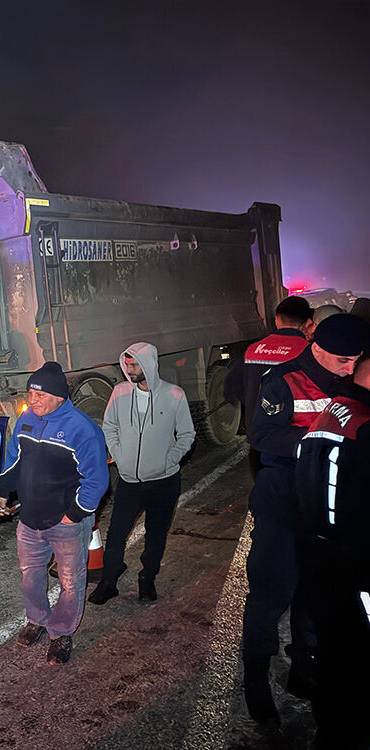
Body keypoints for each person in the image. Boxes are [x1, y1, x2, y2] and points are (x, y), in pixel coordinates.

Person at [241, 313, 368, 727]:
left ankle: (303, 669)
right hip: (281, 501)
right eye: (341, 361)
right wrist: (317, 441)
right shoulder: (284, 380)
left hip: (322, 507)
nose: (349, 369)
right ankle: (256, 679)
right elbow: (260, 435)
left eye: (355, 361)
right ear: (317, 349)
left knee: (314, 595)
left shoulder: (351, 383)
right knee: (269, 594)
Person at [0, 361, 109, 665]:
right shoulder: (27, 420)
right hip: (30, 520)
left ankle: (61, 632)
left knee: (71, 583)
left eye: (39, 395)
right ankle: (37, 619)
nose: (32, 401)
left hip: (65, 523)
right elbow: (12, 457)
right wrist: (2, 491)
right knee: (30, 577)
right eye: (30, 393)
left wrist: (73, 514)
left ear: (59, 397)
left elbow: (96, 480)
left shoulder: (82, 428)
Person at [295, 354, 370, 749]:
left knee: (333, 650)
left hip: (319, 553)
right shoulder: (365, 424)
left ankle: (330, 726)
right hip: (356, 562)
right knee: (356, 659)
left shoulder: (333, 411)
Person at [87, 342, 196, 605]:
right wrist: (120, 455)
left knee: (156, 533)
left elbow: (187, 435)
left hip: (164, 481)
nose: (129, 370)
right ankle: (109, 580)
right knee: (116, 532)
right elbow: (109, 426)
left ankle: (147, 578)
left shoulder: (174, 395)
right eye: (127, 365)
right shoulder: (120, 392)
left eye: (134, 365)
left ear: (149, 364)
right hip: (128, 481)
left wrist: (168, 460)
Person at [225, 295, 313, 476]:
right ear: (307, 323)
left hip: (260, 438)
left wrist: (254, 404)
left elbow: (232, 387)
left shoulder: (253, 349)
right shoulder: (309, 352)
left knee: (266, 492)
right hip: (295, 439)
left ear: (277, 319)